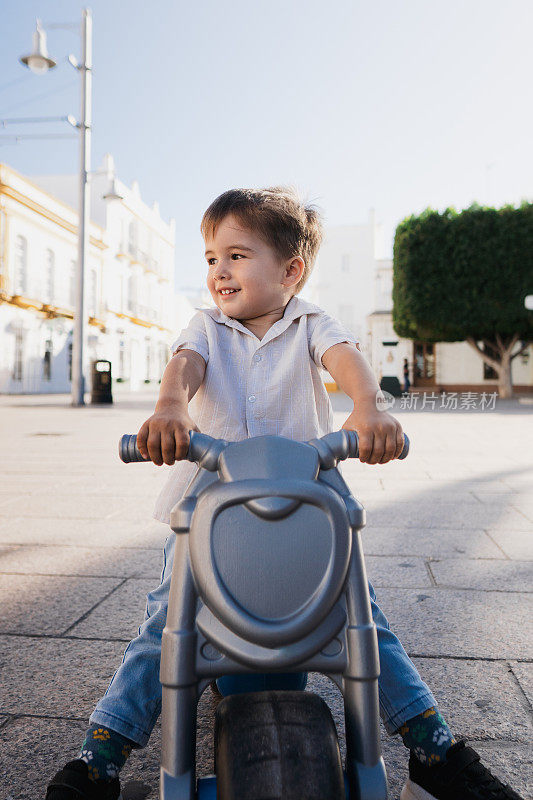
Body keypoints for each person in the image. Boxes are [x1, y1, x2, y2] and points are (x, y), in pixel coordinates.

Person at [46, 188, 522, 800]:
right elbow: (185, 365)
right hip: (208, 519)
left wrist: (369, 408)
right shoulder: (208, 326)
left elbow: (345, 360)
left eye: (238, 255)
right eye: (211, 257)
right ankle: (100, 757)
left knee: (366, 621)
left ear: (291, 270)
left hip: (305, 516)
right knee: (166, 622)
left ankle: (434, 749)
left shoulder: (310, 322)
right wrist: (170, 410)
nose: (220, 270)